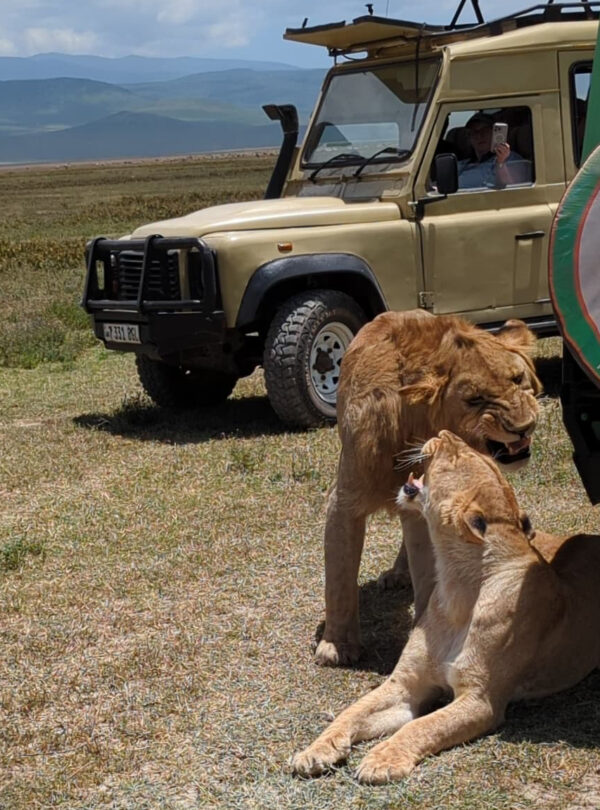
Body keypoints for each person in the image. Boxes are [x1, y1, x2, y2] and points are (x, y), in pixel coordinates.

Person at [458, 111, 531, 189]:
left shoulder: (510, 158)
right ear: (469, 138)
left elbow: (513, 190)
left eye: (485, 130)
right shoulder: (461, 165)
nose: (479, 135)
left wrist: (500, 163)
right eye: (474, 132)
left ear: (495, 133)